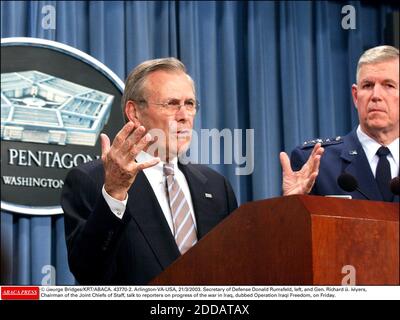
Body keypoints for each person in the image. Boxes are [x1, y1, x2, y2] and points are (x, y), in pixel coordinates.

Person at [62, 57, 322, 285]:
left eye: (190, 104)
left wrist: (287, 208)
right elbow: (90, 274)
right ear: (135, 112)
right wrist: (115, 193)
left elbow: (245, 267)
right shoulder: (94, 180)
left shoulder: (214, 185)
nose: (184, 115)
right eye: (171, 104)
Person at [288, 45, 399, 202]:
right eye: (368, 85)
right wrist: (291, 204)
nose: (376, 96)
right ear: (355, 96)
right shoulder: (316, 163)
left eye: (389, 85)